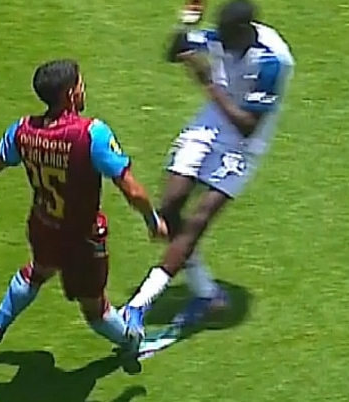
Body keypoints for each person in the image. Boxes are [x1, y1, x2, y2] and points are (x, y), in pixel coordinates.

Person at [0, 59, 167, 363]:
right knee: (95, 309)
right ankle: (130, 339)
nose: (84, 89)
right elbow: (132, 190)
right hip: (82, 238)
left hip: (44, 225)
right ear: (70, 94)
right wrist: (152, 220)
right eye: (81, 84)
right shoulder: (91, 134)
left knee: (37, 271)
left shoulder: (22, 131)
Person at [121, 0, 295, 342]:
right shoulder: (221, 36)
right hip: (212, 123)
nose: (221, 42)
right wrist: (186, 22)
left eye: (227, 37)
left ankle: (137, 306)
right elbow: (174, 51)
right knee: (170, 205)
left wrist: (209, 83)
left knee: (198, 220)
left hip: (244, 145)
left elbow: (247, 125)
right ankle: (208, 294)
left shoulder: (273, 60)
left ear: (245, 32)